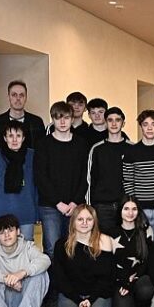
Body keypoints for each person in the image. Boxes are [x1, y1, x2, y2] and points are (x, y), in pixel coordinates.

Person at [51, 205, 116, 307]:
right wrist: (78, 300)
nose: (85, 223)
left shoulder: (104, 241)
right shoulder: (61, 245)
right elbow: (60, 279)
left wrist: (90, 300)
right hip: (71, 293)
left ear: (94, 221)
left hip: (98, 293)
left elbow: (107, 278)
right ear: (73, 221)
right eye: (80, 219)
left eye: (89, 219)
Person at [34, 101, 89, 256]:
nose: (62, 122)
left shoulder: (81, 144)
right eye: (58, 118)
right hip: (50, 206)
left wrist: (74, 202)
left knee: (74, 249)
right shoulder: (43, 144)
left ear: (72, 119)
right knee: (52, 249)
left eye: (66, 117)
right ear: (52, 120)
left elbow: (85, 176)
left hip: (75, 205)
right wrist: (58, 203)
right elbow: (41, 177)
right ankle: (53, 275)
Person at [0, 121, 38, 241]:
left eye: (18, 136)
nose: (14, 140)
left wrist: (37, 213)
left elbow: (36, 187)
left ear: (24, 138)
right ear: (5, 138)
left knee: (26, 251)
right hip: (0, 217)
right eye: (10, 136)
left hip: (26, 214)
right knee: (2, 252)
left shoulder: (32, 156)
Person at [122, 109, 154, 238]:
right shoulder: (131, 152)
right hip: (140, 209)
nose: (149, 128)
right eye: (145, 124)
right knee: (140, 245)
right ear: (141, 127)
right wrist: (134, 206)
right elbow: (128, 182)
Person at [110, 196, 154, 307]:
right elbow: (108, 263)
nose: (130, 213)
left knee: (146, 290)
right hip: (119, 279)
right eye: (126, 209)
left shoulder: (146, 230)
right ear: (120, 210)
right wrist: (125, 282)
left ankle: (140, 305)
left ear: (138, 211)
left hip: (139, 277)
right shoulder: (110, 233)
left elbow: (149, 260)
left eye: (134, 209)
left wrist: (134, 278)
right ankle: (127, 302)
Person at [86, 106, 130, 234]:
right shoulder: (96, 149)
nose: (114, 123)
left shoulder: (132, 148)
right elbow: (90, 180)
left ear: (123, 123)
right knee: (104, 242)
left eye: (118, 120)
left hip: (126, 205)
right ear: (105, 123)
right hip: (102, 206)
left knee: (125, 242)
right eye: (110, 120)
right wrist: (89, 207)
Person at [0, 80, 45, 148]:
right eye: (14, 95)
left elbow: (42, 149)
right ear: (8, 97)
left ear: (26, 97)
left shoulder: (37, 123)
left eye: (21, 95)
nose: (18, 98)